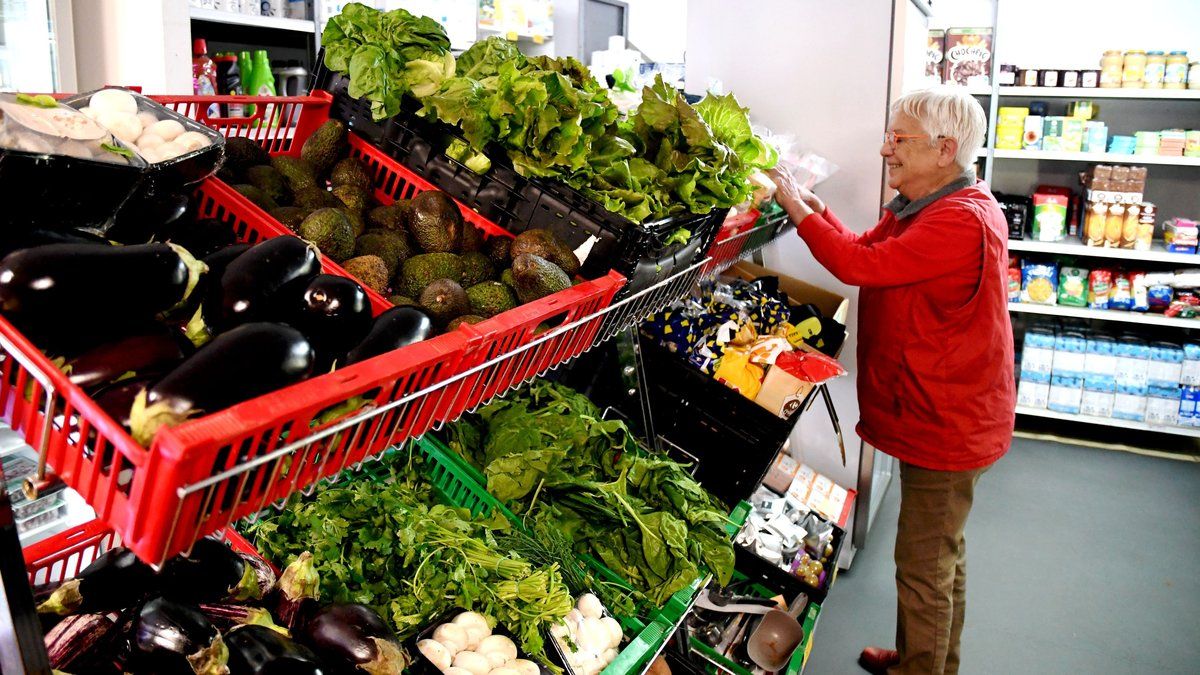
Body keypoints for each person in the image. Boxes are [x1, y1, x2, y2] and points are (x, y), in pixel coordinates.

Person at [769, 85, 1016, 675]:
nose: (886, 151)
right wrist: (816, 209)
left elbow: (858, 266)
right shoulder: (929, 205)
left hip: (950, 423)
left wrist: (796, 209)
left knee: (925, 565)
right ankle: (926, 660)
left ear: (945, 149)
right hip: (939, 412)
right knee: (940, 558)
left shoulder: (959, 221)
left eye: (898, 139)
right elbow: (861, 246)